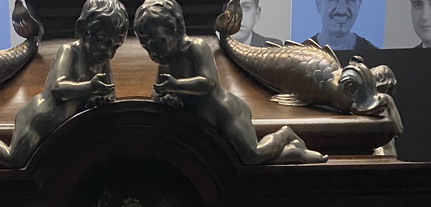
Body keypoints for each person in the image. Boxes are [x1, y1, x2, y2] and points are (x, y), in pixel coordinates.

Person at [0, 0, 128, 169]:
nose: (109, 52)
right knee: (14, 159)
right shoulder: (70, 51)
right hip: (38, 119)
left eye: (115, 47)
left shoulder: (101, 60)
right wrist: (91, 87)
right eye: (104, 41)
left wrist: (102, 96)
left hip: (58, 127)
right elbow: (57, 88)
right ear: (86, 31)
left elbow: (108, 94)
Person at [134, 0, 325, 165]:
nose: (153, 51)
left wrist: (175, 86)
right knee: (243, 159)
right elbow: (157, 92)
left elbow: (209, 83)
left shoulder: (195, 47)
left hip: (225, 113)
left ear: (175, 29)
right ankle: (293, 152)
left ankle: (285, 135)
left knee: (253, 155)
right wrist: (166, 97)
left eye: (157, 41)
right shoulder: (166, 61)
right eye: (146, 46)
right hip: (206, 122)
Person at [304, 0, 380, 54]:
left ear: (359, 5)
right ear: (318, 4)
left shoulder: (377, 58)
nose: (342, 10)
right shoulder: (297, 57)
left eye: (350, 0)